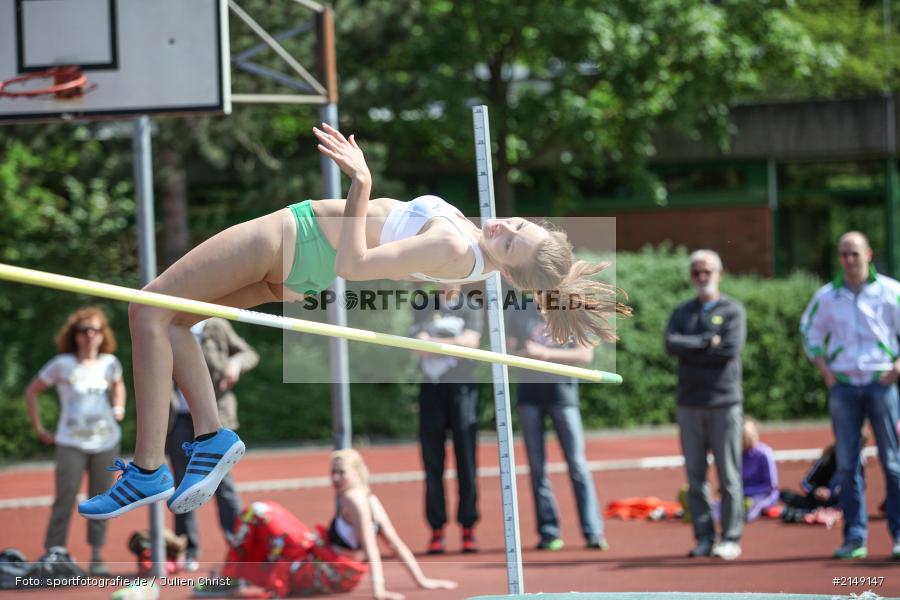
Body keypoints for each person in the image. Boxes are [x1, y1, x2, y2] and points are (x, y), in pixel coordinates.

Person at [78, 123, 631, 521]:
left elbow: (357, 264)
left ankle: (150, 468)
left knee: (144, 308)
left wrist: (361, 182)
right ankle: (210, 436)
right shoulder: (473, 254)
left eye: (512, 240)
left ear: (510, 271)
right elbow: (398, 258)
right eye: (517, 223)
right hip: (299, 270)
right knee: (173, 323)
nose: (504, 226)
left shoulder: (454, 244)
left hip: (298, 238)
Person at [214, 449, 457, 599]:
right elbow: (395, 544)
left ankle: (231, 576)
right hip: (333, 569)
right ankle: (233, 576)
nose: (336, 478)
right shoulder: (369, 498)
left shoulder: (354, 499)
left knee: (259, 513)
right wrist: (422, 581)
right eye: (333, 472)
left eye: (342, 472)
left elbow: (373, 547)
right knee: (271, 526)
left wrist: (378, 591)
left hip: (330, 571)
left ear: (357, 472)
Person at [800, 231, 900, 560]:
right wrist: (826, 370)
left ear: (868, 254)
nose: (849, 259)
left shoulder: (890, 291)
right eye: (844, 253)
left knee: (893, 461)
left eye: (855, 253)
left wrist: (898, 366)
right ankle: (854, 538)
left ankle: (899, 536)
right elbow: (809, 331)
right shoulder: (828, 297)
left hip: (881, 383)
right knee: (847, 464)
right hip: (843, 386)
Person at [25, 306, 126, 575]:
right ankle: (53, 554)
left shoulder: (110, 363)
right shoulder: (62, 364)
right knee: (65, 498)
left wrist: (119, 408)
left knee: (101, 499)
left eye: (95, 329)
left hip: (106, 442)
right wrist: (39, 428)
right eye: (83, 330)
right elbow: (32, 391)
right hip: (70, 442)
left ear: (103, 334)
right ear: (75, 335)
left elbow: (119, 385)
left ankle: (97, 555)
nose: (90, 335)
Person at [507, 295, 609, 551]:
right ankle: (548, 532)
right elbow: (508, 351)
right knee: (537, 468)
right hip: (530, 398)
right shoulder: (518, 309)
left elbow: (585, 354)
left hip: (563, 397)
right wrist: (525, 353)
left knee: (577, 464)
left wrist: (546, 354)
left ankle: (593, 531)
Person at [665, 249, 746, 560]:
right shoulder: (682, 311)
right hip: (689, 404)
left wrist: (693, 347)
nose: (701, 277)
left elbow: (727, 350)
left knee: (728, 476)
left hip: (724, 403)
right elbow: (670, 344)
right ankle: (703, 538)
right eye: (696, 272)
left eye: (707, 272)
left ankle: (731, 538)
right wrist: (704, 341)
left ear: (719, 275)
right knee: (695, 478)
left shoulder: (733, 311)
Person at [166, 317, 258, 571]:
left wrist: (235, 363)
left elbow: (248, 352)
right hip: (179, 419)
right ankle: (188, 550)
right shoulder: (166, 325)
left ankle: (239, 544)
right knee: (184, 486)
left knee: (222, 482)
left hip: (213, 418)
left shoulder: (214, 325)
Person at [409, 282, 483, 554]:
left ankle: (468, 527)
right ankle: (437, 529)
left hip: (462, 390)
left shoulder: (471, 305)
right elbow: (417, 347)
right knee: (432, 463)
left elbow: (472, 342)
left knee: (466, 461)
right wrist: (453, 344)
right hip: (431, 391)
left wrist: (436, 343)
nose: (445, 278)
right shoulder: (422, 305)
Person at [739, 417, 779, 522]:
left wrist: (744, 491)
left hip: (764, 495)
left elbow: (770, 486)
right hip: (741, 494)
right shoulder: (737, 455)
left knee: (753, 507)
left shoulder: (764, 454)